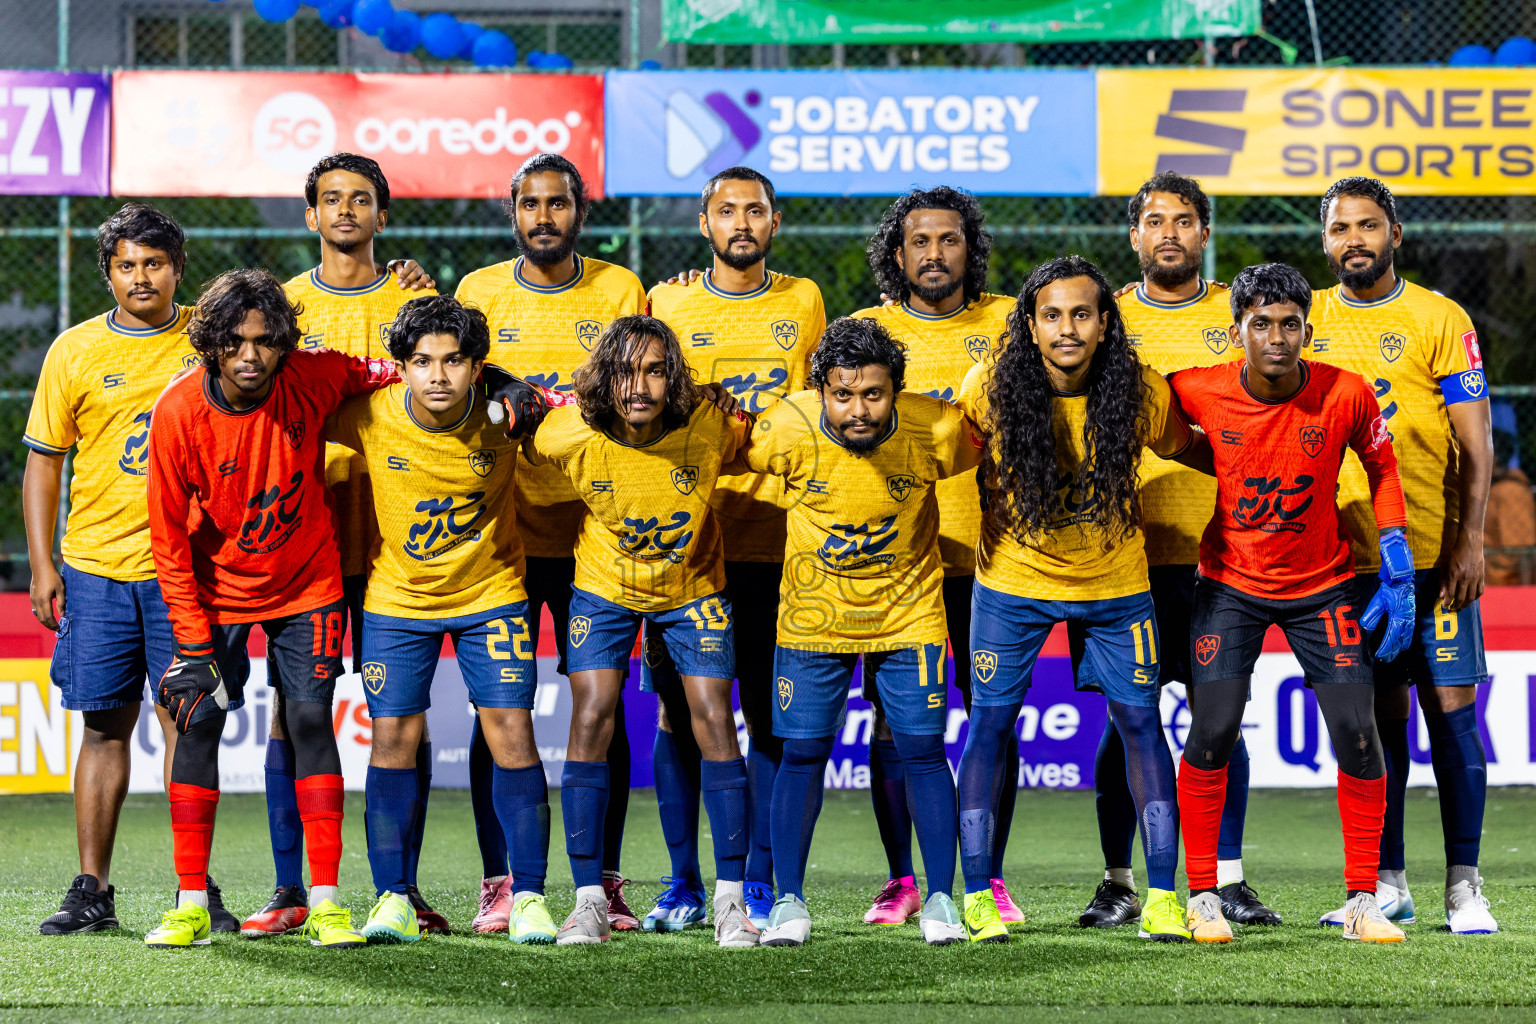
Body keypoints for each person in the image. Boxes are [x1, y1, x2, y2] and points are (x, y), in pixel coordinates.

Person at [142, 268, 393, 950]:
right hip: (216, 593)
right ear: (211, 344)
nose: (250, 355)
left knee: (310, 721)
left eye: (264, 341)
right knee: (197, 725)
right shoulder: (177, 411)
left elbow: (396, 370)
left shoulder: (312, 376)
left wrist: (492, 379)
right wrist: (192, 644)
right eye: (234, 341)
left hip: (308, 583)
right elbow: (167, 540)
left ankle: (327, 903)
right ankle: (191, 902)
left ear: (284, 343)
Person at [1168, 262, 1415, 943]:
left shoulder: (1346, 393)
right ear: (1236, 332)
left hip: (1323, 586)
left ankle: (1363, 901)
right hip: (1230, 584)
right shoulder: (1195, 388)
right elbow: (1142, 417)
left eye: (1289, 325)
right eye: (1261, 324)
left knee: (1359, 733)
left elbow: (1383, 467)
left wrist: (1395, 551)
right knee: (1213, 730)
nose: (1276, 338)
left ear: (1308, 330)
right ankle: (1202, 896)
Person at [955, 255, 1197, 945]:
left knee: (1142, 724)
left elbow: (1192, 448)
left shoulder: (1141, 391)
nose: (1067, 328)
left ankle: (1162, 898)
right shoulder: (986, 388)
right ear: (1029, 326)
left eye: (1082, 314)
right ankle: (977, 896)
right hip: (1014, 584)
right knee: (990, 726)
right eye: (1052, 315)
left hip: (1115, 585)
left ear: (1104, 324)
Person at [244, 152, 442, 940]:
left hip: (400, 544)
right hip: (308, 547)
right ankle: (290, 887)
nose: (347, 211)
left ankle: (403, 891)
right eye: (332, 199)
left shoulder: (418, 300)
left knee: (404, 718)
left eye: (362, 199)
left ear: (383, 215)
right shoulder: (283, 307)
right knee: (295, 716)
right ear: (311, 215)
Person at [27, 204, 234, 936]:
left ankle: (193, 890)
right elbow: (44, 465)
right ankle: (93, 889)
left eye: (154, 263)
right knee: (104, 729)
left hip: (189, 573)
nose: (140, 276)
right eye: (126, 265)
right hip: (97, 569)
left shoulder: (213, 339)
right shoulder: (75, 350)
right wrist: (43, 565)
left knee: (188, 725)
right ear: (109, 274)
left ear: (178, 269)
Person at [744, 316, 983, 948]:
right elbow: (733, 449)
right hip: (811, 618)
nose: (858, 409)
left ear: (895, 390)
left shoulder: (938, 429)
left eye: (873, 394)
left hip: (910, 613)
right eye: (843, 394)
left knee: (923, 751)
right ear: (820, 389)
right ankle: (789, 902)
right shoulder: (784, 428)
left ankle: (940, 899)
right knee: (801, 754)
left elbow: (996, 445)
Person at [327, 295, 558, 945]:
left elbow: (573, 409)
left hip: (492, 594)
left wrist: (522, 390)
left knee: (512, 733)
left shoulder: (505, 416)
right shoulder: (369, 413)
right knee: (392, 740)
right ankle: (393, 898)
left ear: (477, 367)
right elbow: (296, 404)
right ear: (401, 367)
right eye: (422, 361)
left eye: (454, 361)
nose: (437, 375)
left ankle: (529, 897)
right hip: (398, 601)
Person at [455, 153, 647, 932]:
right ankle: (500, 881)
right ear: (513, 213)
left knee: (601, 706)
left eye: (558, 203)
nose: (544, 216)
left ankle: (606, 881)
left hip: (594, 536)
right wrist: (498, 386)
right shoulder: (477, 291)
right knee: (498, 708)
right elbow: (455, 386)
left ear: (580, 212)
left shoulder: (620, 289)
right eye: (530, 203)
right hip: (500, 536)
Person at [528, 314, 760, 948]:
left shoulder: (709, 424)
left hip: (693, 588)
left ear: (674, 379)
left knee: (713, 717)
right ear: (604, 379)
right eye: (626, 372)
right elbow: (522, 442)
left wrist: (726, 400)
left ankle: (731, 901)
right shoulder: (569, 430)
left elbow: (757, 440)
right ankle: (588, 901)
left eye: (655, 371)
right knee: (591, 715)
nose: (640, 386)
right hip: (603, 586)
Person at [1308, 177, 1498, 936]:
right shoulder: (1306, 319)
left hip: (1431, 555)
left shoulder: (1439, 317)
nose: (1353, 239)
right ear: (1325, 241)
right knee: (1373, 725)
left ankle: (1465, 887)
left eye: (1367, 225)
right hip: (1343, 564)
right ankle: (1387, 883)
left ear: (1395, 234)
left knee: (1451, 716)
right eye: (1340, 228)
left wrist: (1470, 540)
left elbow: (1476, 443)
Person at [1090, 172, 1279, 930]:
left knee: (1217, 718)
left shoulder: (1241, 315)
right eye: (1154, 221)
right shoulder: (1104, 318)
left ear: (1204, 233)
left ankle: (1226, 879)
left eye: (1183, 221)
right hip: (1121, 556)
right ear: (1134, 236)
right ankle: (1118, 882)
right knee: (1126, 721)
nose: (1168, 233)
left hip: (1221, 557)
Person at [643, 166, 824, 932]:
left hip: (780, 544)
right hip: (688, 548)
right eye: (727, 210)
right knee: (680, 715)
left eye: (755, 210)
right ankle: (683, 883)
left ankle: (758, 879)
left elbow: (821, 406)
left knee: (768, 716)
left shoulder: (805, 300)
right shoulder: (667, 302)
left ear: (774, 223)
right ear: (704, 223)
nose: (741, 222)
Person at [850, 186, 1017, 927]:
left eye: (950, 239)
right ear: (898, 252)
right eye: (920, 240)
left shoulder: (1013, 323)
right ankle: (901, 880)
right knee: (895, 726)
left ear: (970, 248)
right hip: (897, 566)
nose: (935, 253)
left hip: (994, 564)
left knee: (991, 722)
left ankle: (988, 880)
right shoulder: (865, 331)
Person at [1485, 430, 1534, 586]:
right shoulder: (1491, 488)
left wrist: (1525, 595)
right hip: (1486, 581)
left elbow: (1523, 551)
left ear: (1495, 459)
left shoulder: (1510, 492)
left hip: (1505, 585)